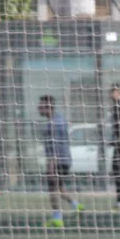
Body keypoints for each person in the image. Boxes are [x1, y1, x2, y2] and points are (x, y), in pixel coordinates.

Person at [38, 95, 82, 227]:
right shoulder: (59, 120)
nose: (38, 109)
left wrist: (51, 164)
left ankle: (57, 218)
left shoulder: (53, 124)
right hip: (64, 160)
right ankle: (76, 205)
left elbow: (55, 146)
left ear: (48, 107)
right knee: (59, 188)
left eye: (41, 106)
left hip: (57, 161)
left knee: (52, 189)